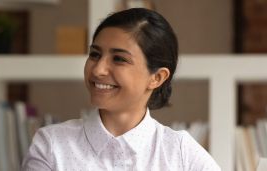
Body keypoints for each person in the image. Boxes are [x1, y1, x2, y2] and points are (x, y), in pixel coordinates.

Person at [22, 8, 220, 171]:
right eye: (95, 54)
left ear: (157, 78)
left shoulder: (181, 152)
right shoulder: (51, 145)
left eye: (119, 59)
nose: (98, 69)